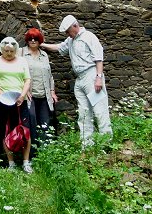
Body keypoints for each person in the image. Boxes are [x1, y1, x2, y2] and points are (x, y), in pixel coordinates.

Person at [42, 15, 112, 147]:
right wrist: (41, 44)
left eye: (69, 31)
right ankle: (87, 144)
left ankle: (106, 143)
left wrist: (98, 77)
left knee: (99, 110)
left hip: (92, 76)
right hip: (80, 79)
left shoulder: (89, 37)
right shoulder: (71, 40)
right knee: (84, 112)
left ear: (75, 26)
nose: (68, 34)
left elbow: (99, 58)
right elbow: (59, 47)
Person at [0, 36, 33, 173]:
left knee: (24, 130)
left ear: (16, 51)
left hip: (20, 101)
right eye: (6, 51)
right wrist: (3, 95)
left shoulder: (22, 61)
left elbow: (27, 80)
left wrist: (22, 95)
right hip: (2, 101)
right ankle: (11, 163)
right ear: (2, 49)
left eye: (11, 51)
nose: (9, 54)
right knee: (5, 130)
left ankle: (26, 162)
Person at [20, 28, 57, 150]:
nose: (33, 40)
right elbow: (17, 72)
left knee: (45, 124)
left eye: (35, 38)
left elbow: (49, 75)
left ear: (39, 40)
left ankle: (45, 152)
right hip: (29, 95)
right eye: (30, 38)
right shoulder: (21, 53)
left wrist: (52, 91)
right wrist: (24, 91)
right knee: (30, 123)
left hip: (44, 95)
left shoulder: (44, 54)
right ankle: (32, 152)